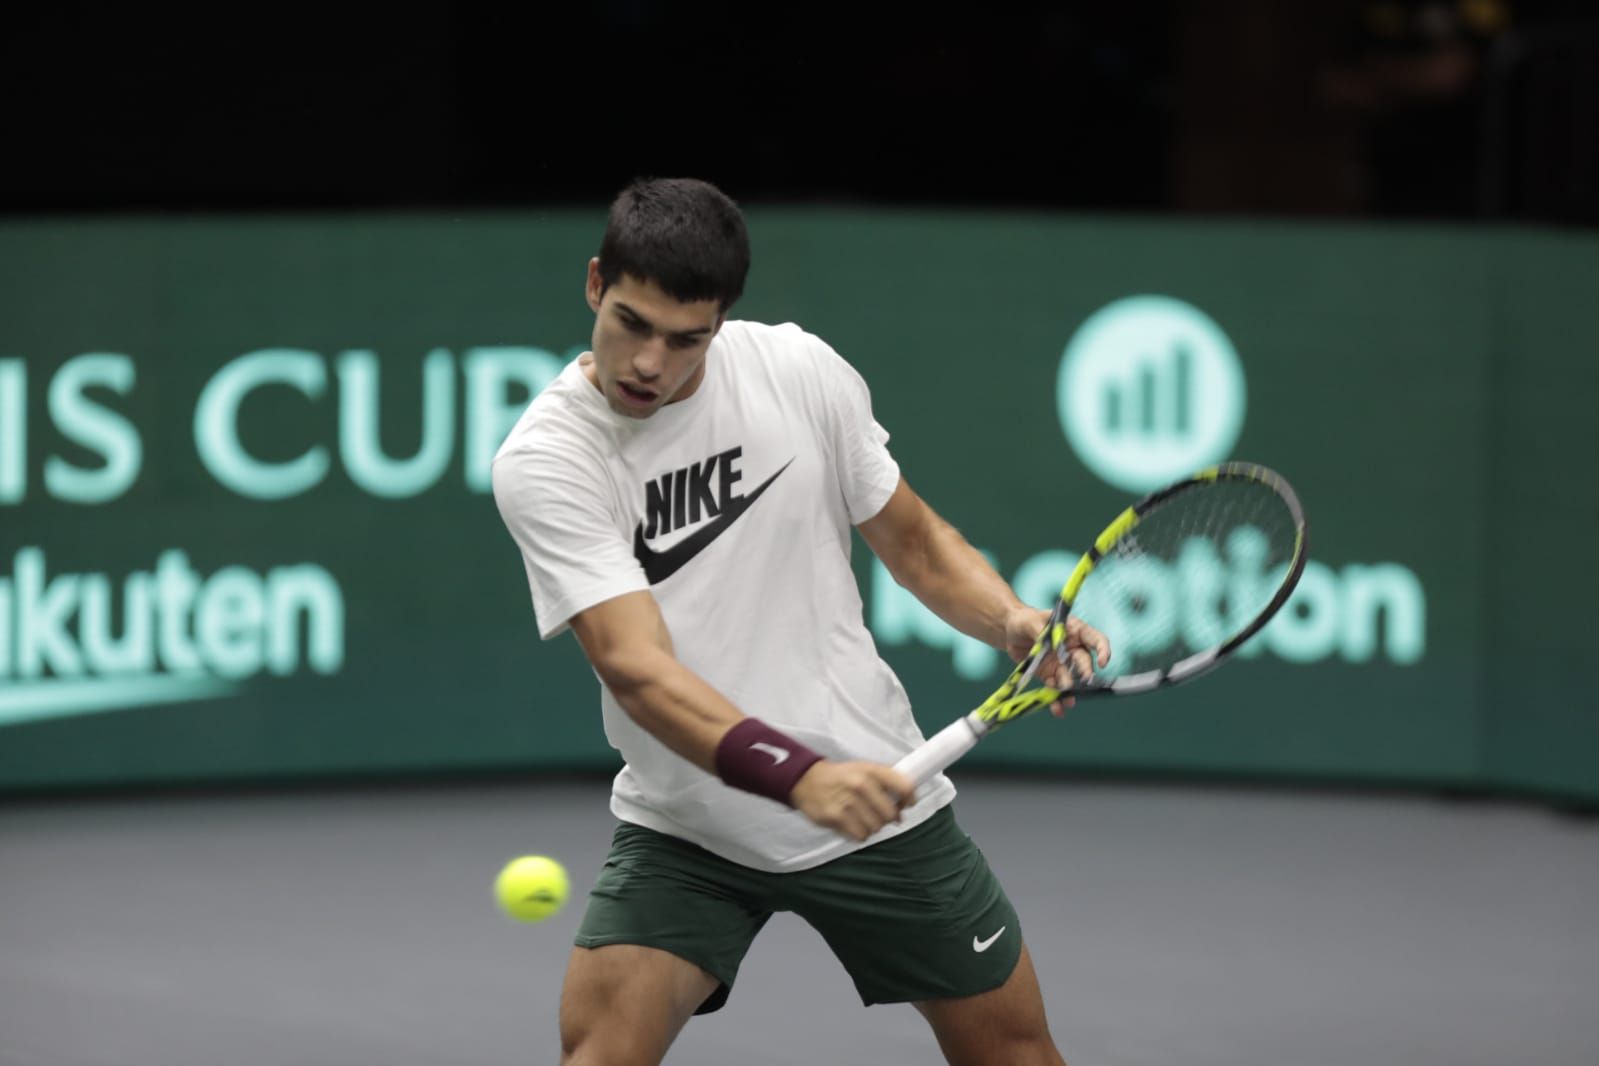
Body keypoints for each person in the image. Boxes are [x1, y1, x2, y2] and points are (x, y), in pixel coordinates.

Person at [491, 177, 1108, 1066]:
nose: (649, 365)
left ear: (722, 321)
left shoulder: (796, 370)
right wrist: (796, 776)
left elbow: (917, 543)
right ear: (595, 284)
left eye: (684, 339)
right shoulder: (548, 461)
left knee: (1014, 1052)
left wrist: (1008, 618)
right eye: (631, 323)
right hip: (689, 824)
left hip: (875, 794)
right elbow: (637, 668)